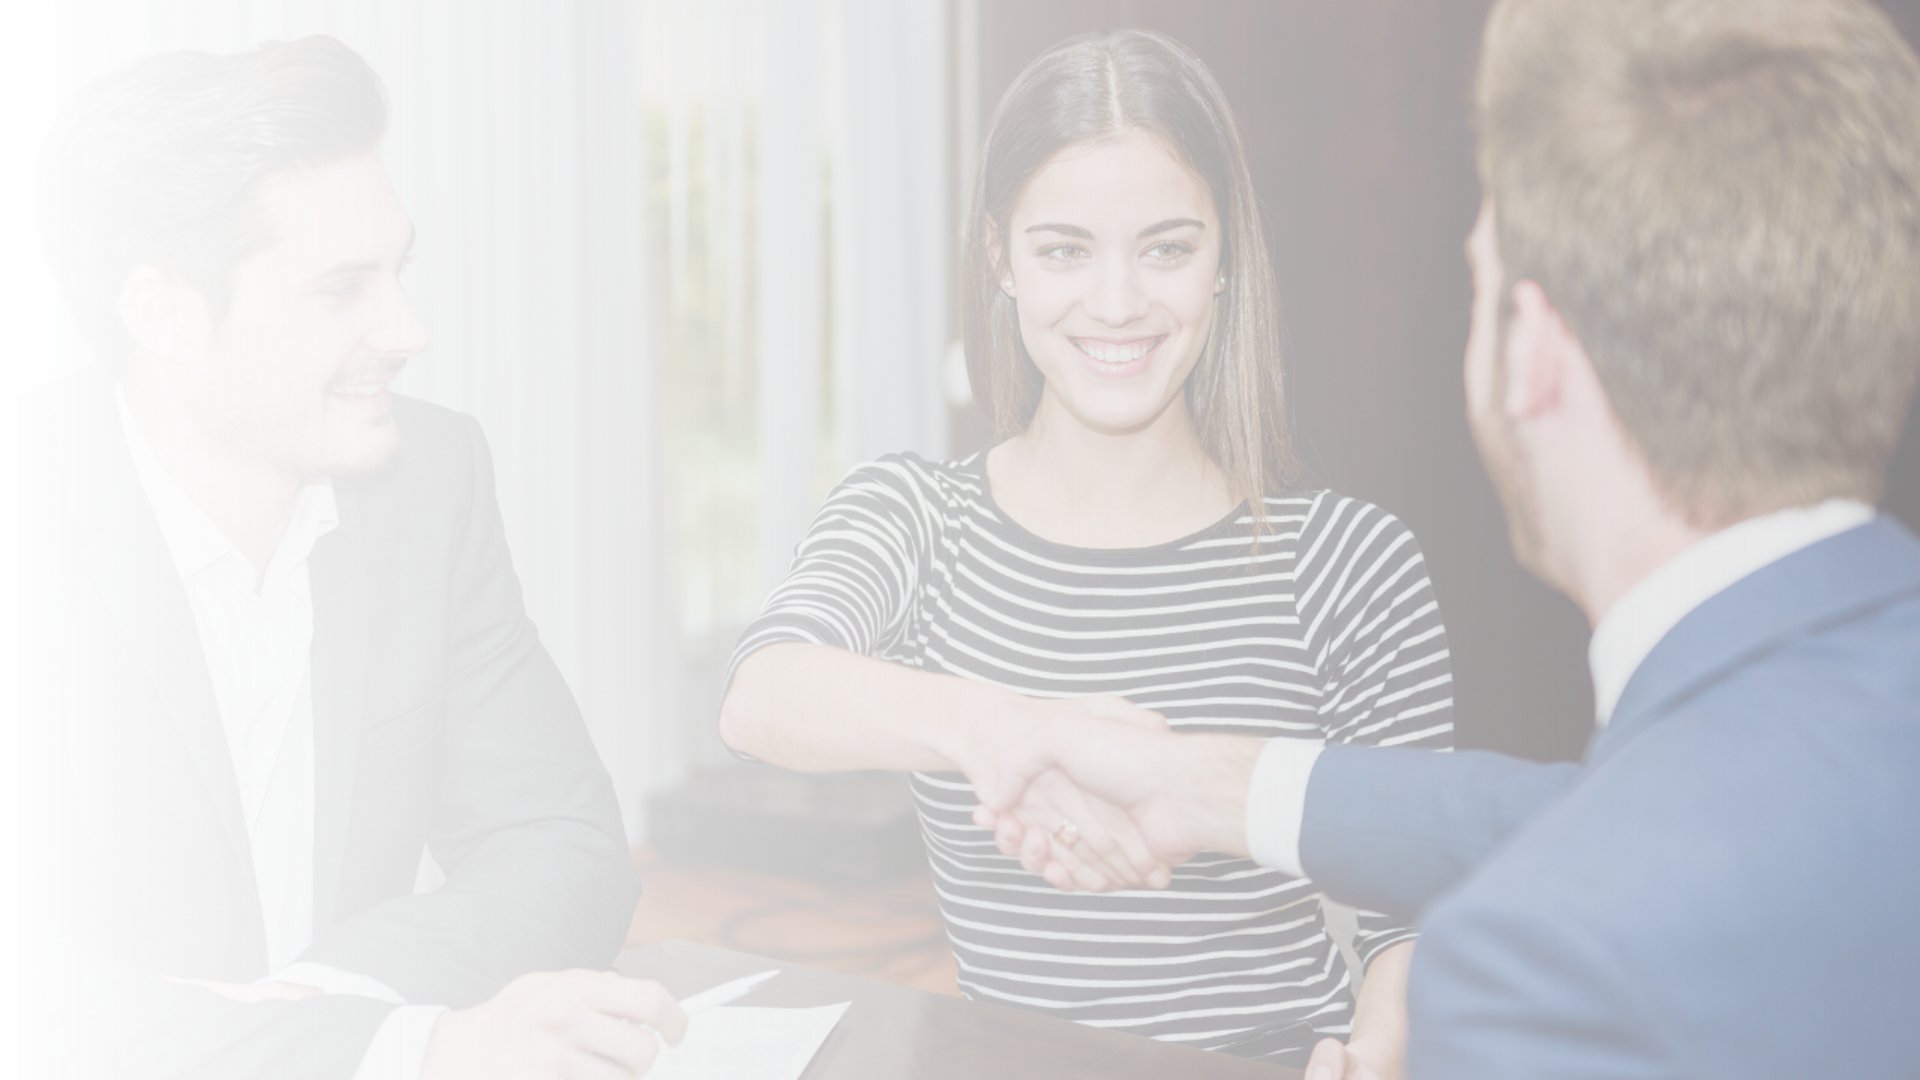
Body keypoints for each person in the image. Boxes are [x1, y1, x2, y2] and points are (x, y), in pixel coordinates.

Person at [975, 1, 1920, 1077]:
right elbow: (1619, 808)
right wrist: (1202, 784)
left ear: (1534, 359)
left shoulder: (1538, 966)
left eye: (1479, 284)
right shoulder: (1807, 742)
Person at [718, 28, 1452, 1069]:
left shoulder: (1347, 560)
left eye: (1166, 247)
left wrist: (1383, 1042)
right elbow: (762, 696)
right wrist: (1007, 729)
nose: (1118, 304)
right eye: (1065, 249)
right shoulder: (918, 517)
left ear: (1226, 257)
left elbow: (1415, 909)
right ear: (999, 258)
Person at [9, 36, 687, 1079]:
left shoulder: (429, 481)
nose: (408, 329)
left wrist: (327, 1010)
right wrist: (402, 1047)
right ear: (163, 313)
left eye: (399, 271)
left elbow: (565, 849)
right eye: (341, 291)